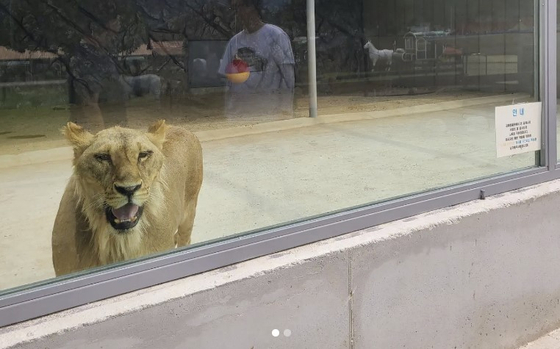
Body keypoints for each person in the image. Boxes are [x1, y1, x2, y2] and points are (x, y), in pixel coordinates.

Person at [218, 0, 295, 118]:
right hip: (240, 116)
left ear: (253, 8)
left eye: (242, 7)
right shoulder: (234, 42)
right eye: (235, 9)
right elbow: (229, 84)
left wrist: (286, 111)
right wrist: (230, 112)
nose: (238, 13)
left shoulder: (276, 35)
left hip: (270, 115)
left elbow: (289, 78)